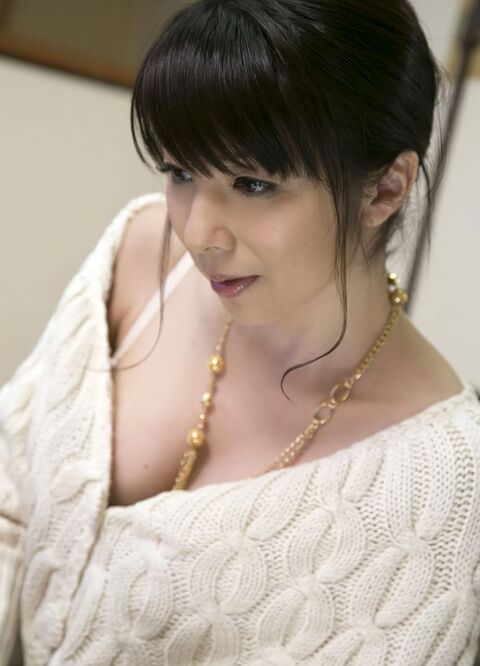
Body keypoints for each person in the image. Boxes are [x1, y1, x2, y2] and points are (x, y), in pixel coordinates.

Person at [2, 0, 480, 663]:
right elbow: (10, 497)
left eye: (252, 184)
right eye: (180, 172)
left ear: (384, 191)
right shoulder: (143, 254)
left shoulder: (444, 482)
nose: (199, 233)